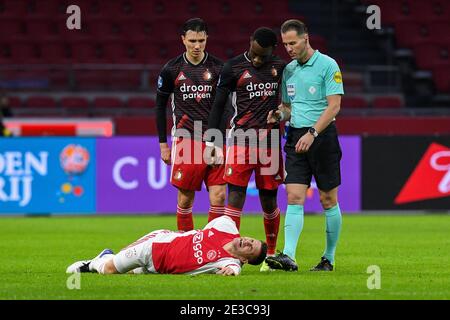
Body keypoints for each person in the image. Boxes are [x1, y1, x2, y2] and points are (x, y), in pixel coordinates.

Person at [265, 19, 344, 272]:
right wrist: (279, 115)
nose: (288, 48)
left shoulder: (327, 65)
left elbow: (334, 106)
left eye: (293, 42)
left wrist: (312, 132)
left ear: (305, 38)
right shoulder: (288, 70)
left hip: (322, 137)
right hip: (295, 137)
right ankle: (288, 255)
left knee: (328, 199)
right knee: (294, 196)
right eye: (285, 44)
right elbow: (289, 108)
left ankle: (328, 258)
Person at [205, 27, 286, 272]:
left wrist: (281, 113)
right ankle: (227, 253)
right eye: (256, 53)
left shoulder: (281, 67)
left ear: (273, 50)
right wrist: (212, 141)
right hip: (241, 140)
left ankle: (270, 255)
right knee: (235, 197)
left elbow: (291, 99)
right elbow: (218, 104)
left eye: (264, 55)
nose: (259, 59)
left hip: (270, 142)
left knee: (269, 200)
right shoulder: (233, 67)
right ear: (249, 42)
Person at [156, 18, 226, 231]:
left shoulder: (218, 68)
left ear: (207, 40)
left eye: (201, 41)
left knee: (219, 196)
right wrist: (163, 144)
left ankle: (211, 249)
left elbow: (225, 107)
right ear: (183, 40)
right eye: (193, 40)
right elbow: (160, 106)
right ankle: (185, 248)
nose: (197, 46)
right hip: (186, 139)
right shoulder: (172, 69)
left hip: (214, 138)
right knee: (185, 199)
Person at [66, 216, 267, 276]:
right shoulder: (226, 226)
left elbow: (232, 270)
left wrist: (234, 270)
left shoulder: (229, 262)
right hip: (156, 245)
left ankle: (109, 256)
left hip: (161, 268)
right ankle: (95, 262)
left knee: (131, 274)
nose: (247, 241)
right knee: (109, 270)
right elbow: (204, 230)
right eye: (251, 239)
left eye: (250, 247)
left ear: (243, 259)